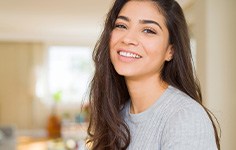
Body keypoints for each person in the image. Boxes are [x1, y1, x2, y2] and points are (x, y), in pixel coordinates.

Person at [87, 0, 220, 149]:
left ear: (170, 51)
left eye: (148, 30)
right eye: (121, 26)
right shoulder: (117, 115)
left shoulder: (185, 117)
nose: (128, 39)